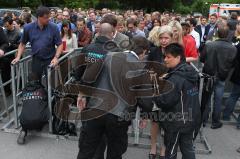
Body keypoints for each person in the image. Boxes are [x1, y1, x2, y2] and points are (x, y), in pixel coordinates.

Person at [77, 36, 150, 159]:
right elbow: (144, 96)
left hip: (96, 108)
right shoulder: (141, 68)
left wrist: (82, 94)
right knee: (115, 152)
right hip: (119, 115)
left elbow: (88, 75)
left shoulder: (108, 56)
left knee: (87, 149)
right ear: (144, 51)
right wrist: (145, 115)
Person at [154, 43, 201, 159]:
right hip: (192, 118)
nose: (165, 60)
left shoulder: (175, 78)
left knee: (170, 151)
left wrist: (156, 92)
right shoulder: (190, 71)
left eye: (168, 57)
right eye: (165, 56)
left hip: (177, 122)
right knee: (187, 148)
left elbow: (165, 102)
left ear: (178, 57)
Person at [200, 24, 237, 129]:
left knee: (206, 98)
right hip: (221, 76)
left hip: (209, 75)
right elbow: (232, 63)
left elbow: (202, 59)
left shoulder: (209, 45)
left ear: (217, 33)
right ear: (227, 34)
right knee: (218, 99)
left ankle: (203, 120)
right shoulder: (232, 48)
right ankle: (215, 121)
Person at [11, 6, 63, 80]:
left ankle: (50, 91)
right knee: (35, 83)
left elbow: (60, 44)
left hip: (50, 60)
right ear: (39, 17)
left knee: (51, 84)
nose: (49, 19)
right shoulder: (28, 28)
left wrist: (56, 57)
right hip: (36, 60)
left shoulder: (53, 27)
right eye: (46, 17)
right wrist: (18, 57)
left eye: (49, 17)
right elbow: (22, 43)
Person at [147, 25, 173, 159]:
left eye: (166, 38)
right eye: (161, 38)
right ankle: (153, 147)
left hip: (170, 92)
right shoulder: (154, 51)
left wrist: (168, 76)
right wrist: (151, 73)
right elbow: (147, 67)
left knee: (167, 122)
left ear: (171, 38)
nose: (163, 40)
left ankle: (163, 150)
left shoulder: (176, 51)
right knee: (155, 121)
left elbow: (181, 70)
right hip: (155, 91)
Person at [222, 21, 240, 129]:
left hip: (238, 74)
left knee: (233, 96)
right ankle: (238, 123)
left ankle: (226, 115)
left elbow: (235, 56)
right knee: (233, 96)